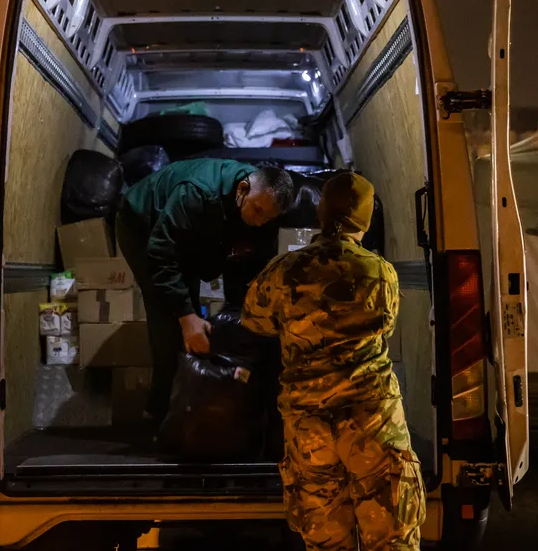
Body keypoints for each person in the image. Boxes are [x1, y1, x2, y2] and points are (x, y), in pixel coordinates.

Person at [241, 172, 426, 551]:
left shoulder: (284, 270)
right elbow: (385, 327)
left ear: (320, 211)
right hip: (371, 419)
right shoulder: (380, 273)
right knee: (392, 539)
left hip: (310, 428)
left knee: (326, 541)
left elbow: (253, 319)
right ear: (366, 218)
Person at [115, 158, 295, 430]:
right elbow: (161, 255)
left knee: (190, 296)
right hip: (143, 222)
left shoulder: (256, 203)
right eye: (258, 212)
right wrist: (187, 319)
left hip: (187, 227)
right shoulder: (197, 193)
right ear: (242, 188)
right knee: (167, 312)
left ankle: (190, 399)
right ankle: (158, 414)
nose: (260, 222)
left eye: (267, 218)